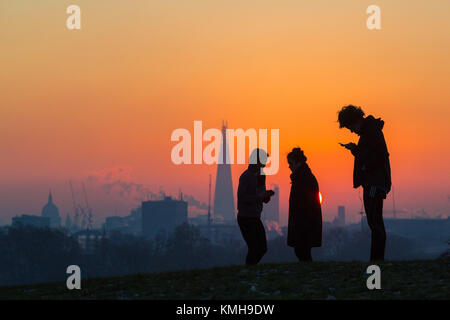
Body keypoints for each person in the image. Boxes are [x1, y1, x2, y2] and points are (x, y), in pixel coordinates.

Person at [338, 105, 391, 261]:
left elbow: (379, 156)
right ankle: (376, 258)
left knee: (375, 221)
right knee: (374, 221)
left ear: (356, 121)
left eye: (350, 127)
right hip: (374, 181)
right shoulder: (369, 133)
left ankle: (377, 259)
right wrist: (355, 150)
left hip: (375, 182)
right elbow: (370, 154)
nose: (351, 131)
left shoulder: (371, 133)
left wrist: (365, 166)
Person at [237, 148, 275, 265]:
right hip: (246, 218)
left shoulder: (261, 175)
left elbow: (261, 196)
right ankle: (249, 270)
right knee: (254, 247)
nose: (265, 164)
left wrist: (266, 196)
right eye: (263, 161)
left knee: (262, 247)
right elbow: (242, 198)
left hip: (255, 217)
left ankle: (250, 269)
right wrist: (260, 196)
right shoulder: (245, 177)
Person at [287, 148, 322, 261]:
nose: (289, 166)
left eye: (290, 163)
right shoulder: (304, 176)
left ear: (298, 163)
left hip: (304, 222)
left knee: (302, 250)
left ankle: (308, 272)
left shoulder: (303, 178)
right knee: (303, 251)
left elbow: (306, 203)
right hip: (304, 221)